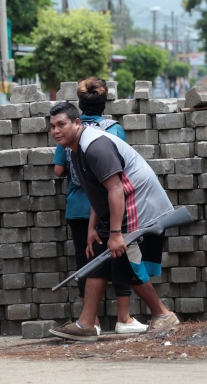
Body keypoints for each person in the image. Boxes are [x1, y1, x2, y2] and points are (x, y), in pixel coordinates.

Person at [47, 102, 179, 341]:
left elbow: (116, 189)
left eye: (61, 124)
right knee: (98, 255)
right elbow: (97, 191)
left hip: (137, 205)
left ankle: (163, 315)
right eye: (52, 126)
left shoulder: (95, 147)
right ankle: (86, 324)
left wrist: (116, 233)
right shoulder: (77, 148)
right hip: (121, 206)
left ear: (77, 123)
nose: (56, 130)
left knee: (125, 261)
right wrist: (92, 228)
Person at [53, 77, 141, 334]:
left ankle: (93, 323)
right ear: (105, 102)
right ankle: (123, 317)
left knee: (86, 262)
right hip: (110, 208)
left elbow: (59, 169)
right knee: (120, 259)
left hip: (78, 206)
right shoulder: (114, 129)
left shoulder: (69, 129)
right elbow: (120, 172)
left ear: (79, 106)